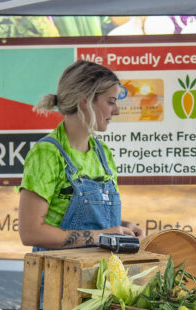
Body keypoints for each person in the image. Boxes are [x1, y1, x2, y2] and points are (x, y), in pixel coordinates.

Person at [18, 60, 143, 250]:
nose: (116, 111)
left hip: (103, 274)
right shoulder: (47, 153)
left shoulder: (103, 154)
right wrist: (101, 235)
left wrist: (124, 228)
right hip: (60, 276)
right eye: (110, 102)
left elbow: (94, 223)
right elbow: (30, 232)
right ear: (85, 101)